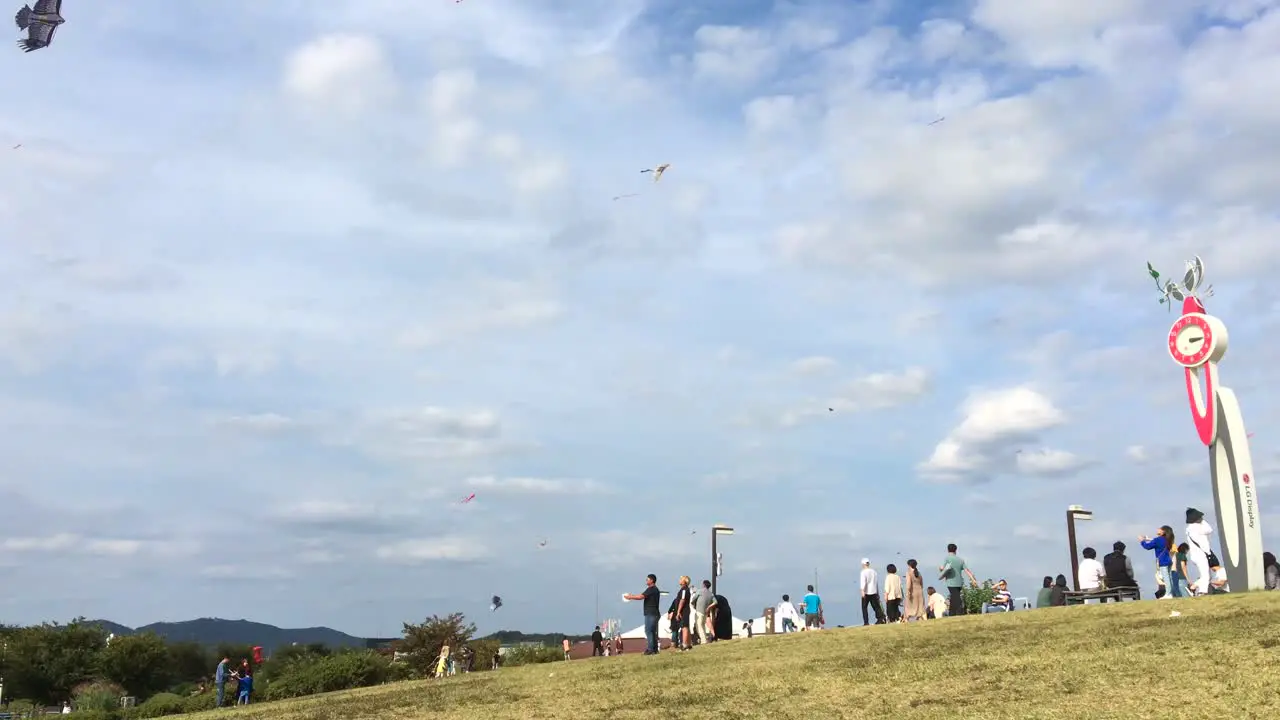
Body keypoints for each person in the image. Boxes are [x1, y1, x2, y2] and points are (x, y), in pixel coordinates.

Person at [622, 574, 662, 655]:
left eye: (647, 579)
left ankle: (650, 649)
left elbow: (641, 596)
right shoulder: (655, 589)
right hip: (655, 613)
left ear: (651, 580)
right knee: (653, 632)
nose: (646, 581)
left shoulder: (651, 589)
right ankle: (654, 649)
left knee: (648, 631)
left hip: (651, 613)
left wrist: (630, 597)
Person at [938, 543, 978, 616]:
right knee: (954, 598)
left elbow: (944, 569)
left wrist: (940, 569)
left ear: (947, 550)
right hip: (959, 582)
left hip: (950, 582)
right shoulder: (961, 560)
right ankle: (951, 614)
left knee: (956, 598)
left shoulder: (947, 558)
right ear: (956, 550)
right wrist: (973, 579)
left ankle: (960, 613)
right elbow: (967, 570)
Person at [1185, 507, 1215, 596]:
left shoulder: (1189, 528)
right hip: (1200, 554)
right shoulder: (1196, 527)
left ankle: (1194, 588)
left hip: (1195, 554)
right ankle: (1202, 592)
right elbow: (1209, 529)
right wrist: (1202, 521)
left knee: (1206, 575)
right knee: (1206, 575)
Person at [1139, 526, 1175, 598]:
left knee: (1166, 578)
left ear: (1163, 532)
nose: (1158, 529)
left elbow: (1147, 546)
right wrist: (1147, 538)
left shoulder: (1158, 540)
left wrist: (1142, 541)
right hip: (1168, 561)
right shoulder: (1168, 539)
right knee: (1169, 578)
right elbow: (1155, 541)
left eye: (1160, 529)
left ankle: (1168, 594)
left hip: (1162, 562)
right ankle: (1171, 593)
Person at [859, 558, 886, 625]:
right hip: (874, 591)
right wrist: (877, 593)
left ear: (863, 564)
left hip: (866, 592)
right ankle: (881, 619)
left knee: (864, 608)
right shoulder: (874, 572)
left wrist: (862, 590)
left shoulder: (863, 572)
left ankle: (866, 622)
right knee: (876, 606)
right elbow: (876, 583)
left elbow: (863, 582)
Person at [693, 579, 713, 644]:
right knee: (703, 626)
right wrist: (709, 607)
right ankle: (704, 640)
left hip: (699, 611)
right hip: (706, 612)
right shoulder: (711, 594)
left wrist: (693, 605)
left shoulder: (700, 591)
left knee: (698, 626)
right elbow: (715, 602)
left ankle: (703, 640)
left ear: (704, 584)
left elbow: (694, 599)